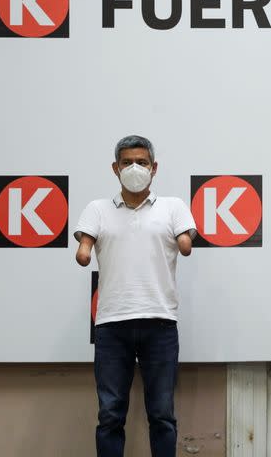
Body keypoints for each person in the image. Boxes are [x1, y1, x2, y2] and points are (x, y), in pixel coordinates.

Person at [74, 135, 196, 457]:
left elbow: (186, 243)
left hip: (160, 323)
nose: (134, 168)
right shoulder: (97, 209)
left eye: (142, 162)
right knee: (110, 414)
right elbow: (83, 248)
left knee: (162, 415)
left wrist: (185, 239)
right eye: (127, 162)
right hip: (112, 325)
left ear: (154, 168)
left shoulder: (173, 207)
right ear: (115, 168)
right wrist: (84, 249)